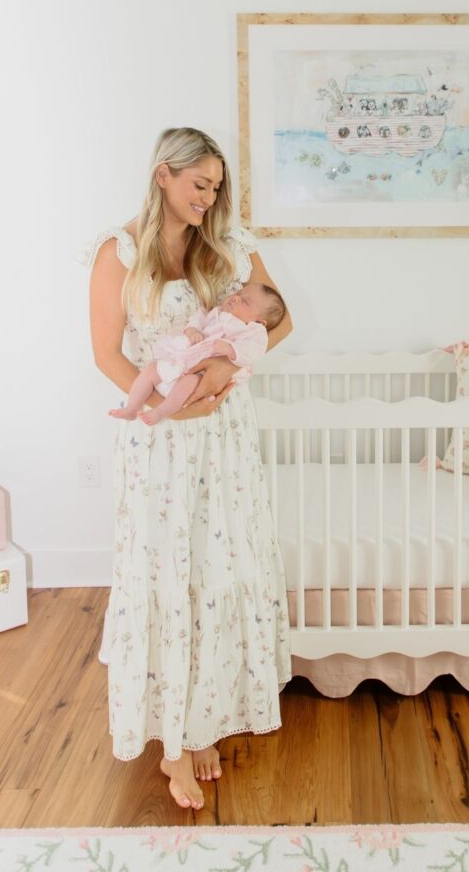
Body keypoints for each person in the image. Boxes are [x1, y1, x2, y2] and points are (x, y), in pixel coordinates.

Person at [81, 127, 292, 811]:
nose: (210, 197)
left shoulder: (228, 245)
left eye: (217, 186)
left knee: (216, 571)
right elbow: (107, 354)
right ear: (164, 175)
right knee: (168, 575)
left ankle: (201, 722)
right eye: (200, 184)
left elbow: (278, 320)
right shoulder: (118, 254)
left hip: (225, 435)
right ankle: (172, 742)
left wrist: (232, 362)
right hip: (160, 441)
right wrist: (164, 412)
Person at [108, 281, 285, 426]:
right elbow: (198, 319)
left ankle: (161, 411)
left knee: (187, 383)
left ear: (260, 321)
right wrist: (192, 330)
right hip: (185, 357)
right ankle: (132, 407)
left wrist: (230, 349)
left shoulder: (253, 332)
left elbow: (254, 352)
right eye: (239, 293)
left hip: (202, 373)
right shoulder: (216, 312)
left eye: (245, 302)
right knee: (151, 370)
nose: (236, 298)